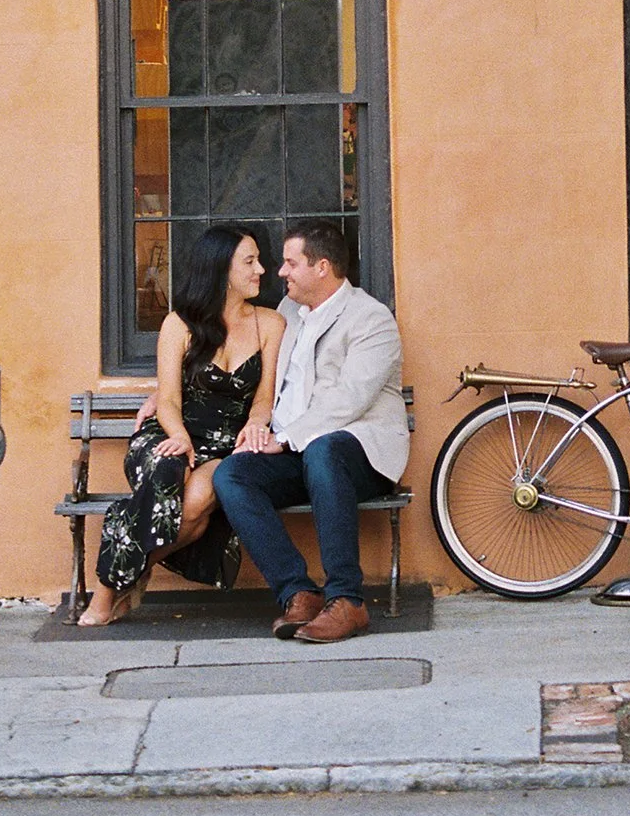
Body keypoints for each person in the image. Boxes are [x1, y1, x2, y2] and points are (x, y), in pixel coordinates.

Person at [77, 221, 285, 627]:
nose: (261, 270)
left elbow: (265, 397)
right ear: (221, 270)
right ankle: (113, 589)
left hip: (226, 446)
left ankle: (111, 586)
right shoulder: (179, 324)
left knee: (193, 510)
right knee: (166, 478)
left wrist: (258, 423)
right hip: (170, 432)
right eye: (250, 261)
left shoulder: (271, 324)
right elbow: (168, 398)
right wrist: (180, 437)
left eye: (258, 260)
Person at [212, 218, 407, 644]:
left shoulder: (371, 319)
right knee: (231, 474)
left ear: (322, 267)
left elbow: (349, 401)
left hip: (359, 455)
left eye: (289, 263)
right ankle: (298, 592)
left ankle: (347, 599)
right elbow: (240, 361)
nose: (279, 272)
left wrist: (285, 439)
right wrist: (165, 393)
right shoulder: (287, 315)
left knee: (324, 449)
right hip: (295, 453)